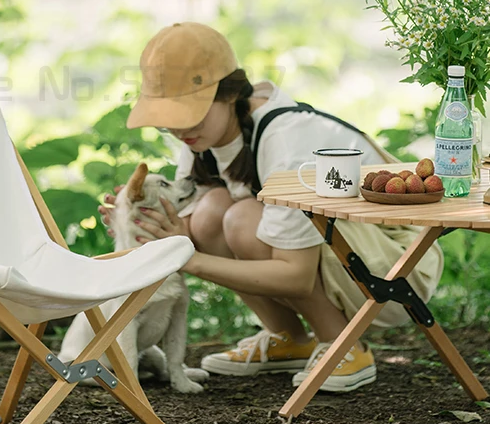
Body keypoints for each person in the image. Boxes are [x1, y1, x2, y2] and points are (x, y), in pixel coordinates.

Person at [99, 22, 444, 393]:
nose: (179, 130)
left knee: (241, 218)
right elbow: (185, 228)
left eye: (188, 114)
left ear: (228, 94)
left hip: (395, 264)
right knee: (209, 213)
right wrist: (134, 223)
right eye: (170, 121)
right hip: (345, 255)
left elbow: (294, 274)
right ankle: (289, 339)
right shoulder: (203, 138)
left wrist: (189, 259)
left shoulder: (284, 138)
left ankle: (345, 346)